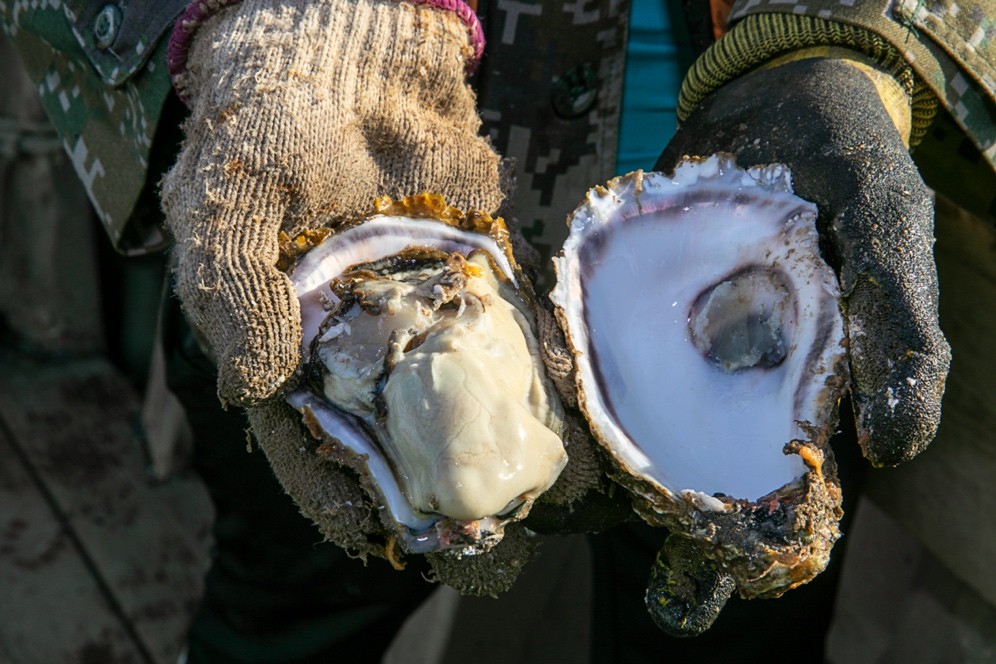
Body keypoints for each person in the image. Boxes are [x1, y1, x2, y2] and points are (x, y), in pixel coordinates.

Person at [2, 0, 993, 661]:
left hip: (761, 186)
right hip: (343, 163)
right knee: (288, 609)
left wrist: (852, 28)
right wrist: (275, 21)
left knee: (721, 626)